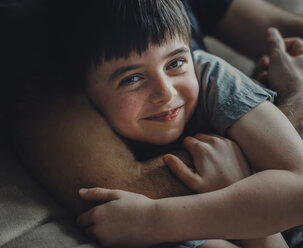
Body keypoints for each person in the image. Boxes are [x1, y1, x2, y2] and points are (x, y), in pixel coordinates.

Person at [4, 0, 303, 247]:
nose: (166, 93)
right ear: (86, 94)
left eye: (175, 63)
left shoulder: (209, 75)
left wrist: (157, 218)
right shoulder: (125, 197)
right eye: (132, 78)